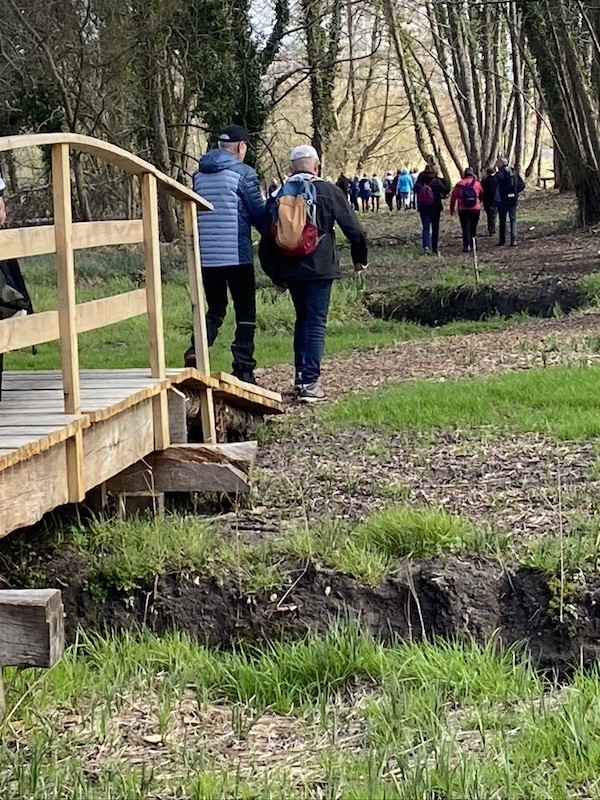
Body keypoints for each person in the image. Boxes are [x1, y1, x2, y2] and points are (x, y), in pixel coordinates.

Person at [259, 145, 368, 403]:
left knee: (302, 320)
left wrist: (276, 275)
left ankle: (300, 378)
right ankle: (310, 383)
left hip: (290, 269)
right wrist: (359, 260)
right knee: (316, 322)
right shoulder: (330, 192)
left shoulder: (277, 196)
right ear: (316, 166)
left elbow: (266, 242)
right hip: (321, 268)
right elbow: (356, 232)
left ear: (291, 168)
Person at [185, 124, 266, 384]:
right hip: (236, 254)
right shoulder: (244, 174)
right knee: (245, 312)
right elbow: (258, 214)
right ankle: (243, 367)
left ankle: (195, 351)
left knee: (216, 308)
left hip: (207, 256)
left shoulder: (199, 176)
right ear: (241, 147)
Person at [413, 164, 450, 255]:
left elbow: (414, 189)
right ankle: (434, 248)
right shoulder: (437, 181)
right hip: (435, 207)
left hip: (423, 207)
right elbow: (446, 189)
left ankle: (426, 246)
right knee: (435, 228)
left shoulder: (420, 180)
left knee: (425, 228)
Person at [450, 167, 484, 252]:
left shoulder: (459, 184)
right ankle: (473, 245)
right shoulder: (477, 183)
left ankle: (466, 246)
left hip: (463, 209)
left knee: (465, 227)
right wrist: (479, 202)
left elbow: (453, 197)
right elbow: (481, 194)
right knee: (473, 227)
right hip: (475, 208)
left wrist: (452, 209)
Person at [494, 157, 525, 247]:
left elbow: (495, 188)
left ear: (500, 164)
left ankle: (502, 240)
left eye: (497, 163)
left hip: (503, 200)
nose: (496, 165)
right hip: (513, 199)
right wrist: (515, 192)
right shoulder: (514, 172)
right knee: (512, 219)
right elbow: (522, 185)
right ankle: (513, 240)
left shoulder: (499, 174)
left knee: (502, 220)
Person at [481, 167, 498, 236]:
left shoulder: (484, 181)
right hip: (495, 200)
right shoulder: (496, 180)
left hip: (486, 201)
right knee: (493, 215)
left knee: (489, 215)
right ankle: (492, 229)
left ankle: (490, 229)